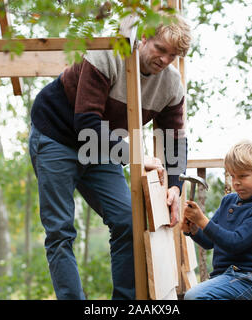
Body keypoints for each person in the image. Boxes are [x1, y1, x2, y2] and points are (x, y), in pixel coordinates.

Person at [28, 14, 191, 300]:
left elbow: (174, 138)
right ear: (143, 38)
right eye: (160, 49)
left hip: (101, 146)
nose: (166, 60)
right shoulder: (105, 54)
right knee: (60, 230)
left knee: (128, 220)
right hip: (57, 135)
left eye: (173, 55)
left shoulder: (171, 85)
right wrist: (137, 156)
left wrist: (175, 186)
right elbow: (87, 124)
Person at [182, 140, 252, 300]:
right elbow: (209, 242)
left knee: (193, 297)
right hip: (223, 276)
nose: (236, 182)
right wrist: (193, 229)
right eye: (232, 176)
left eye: (243, 176)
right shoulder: (229, 201)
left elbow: (234, 243)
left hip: (247, 279)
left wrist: (202, 220)